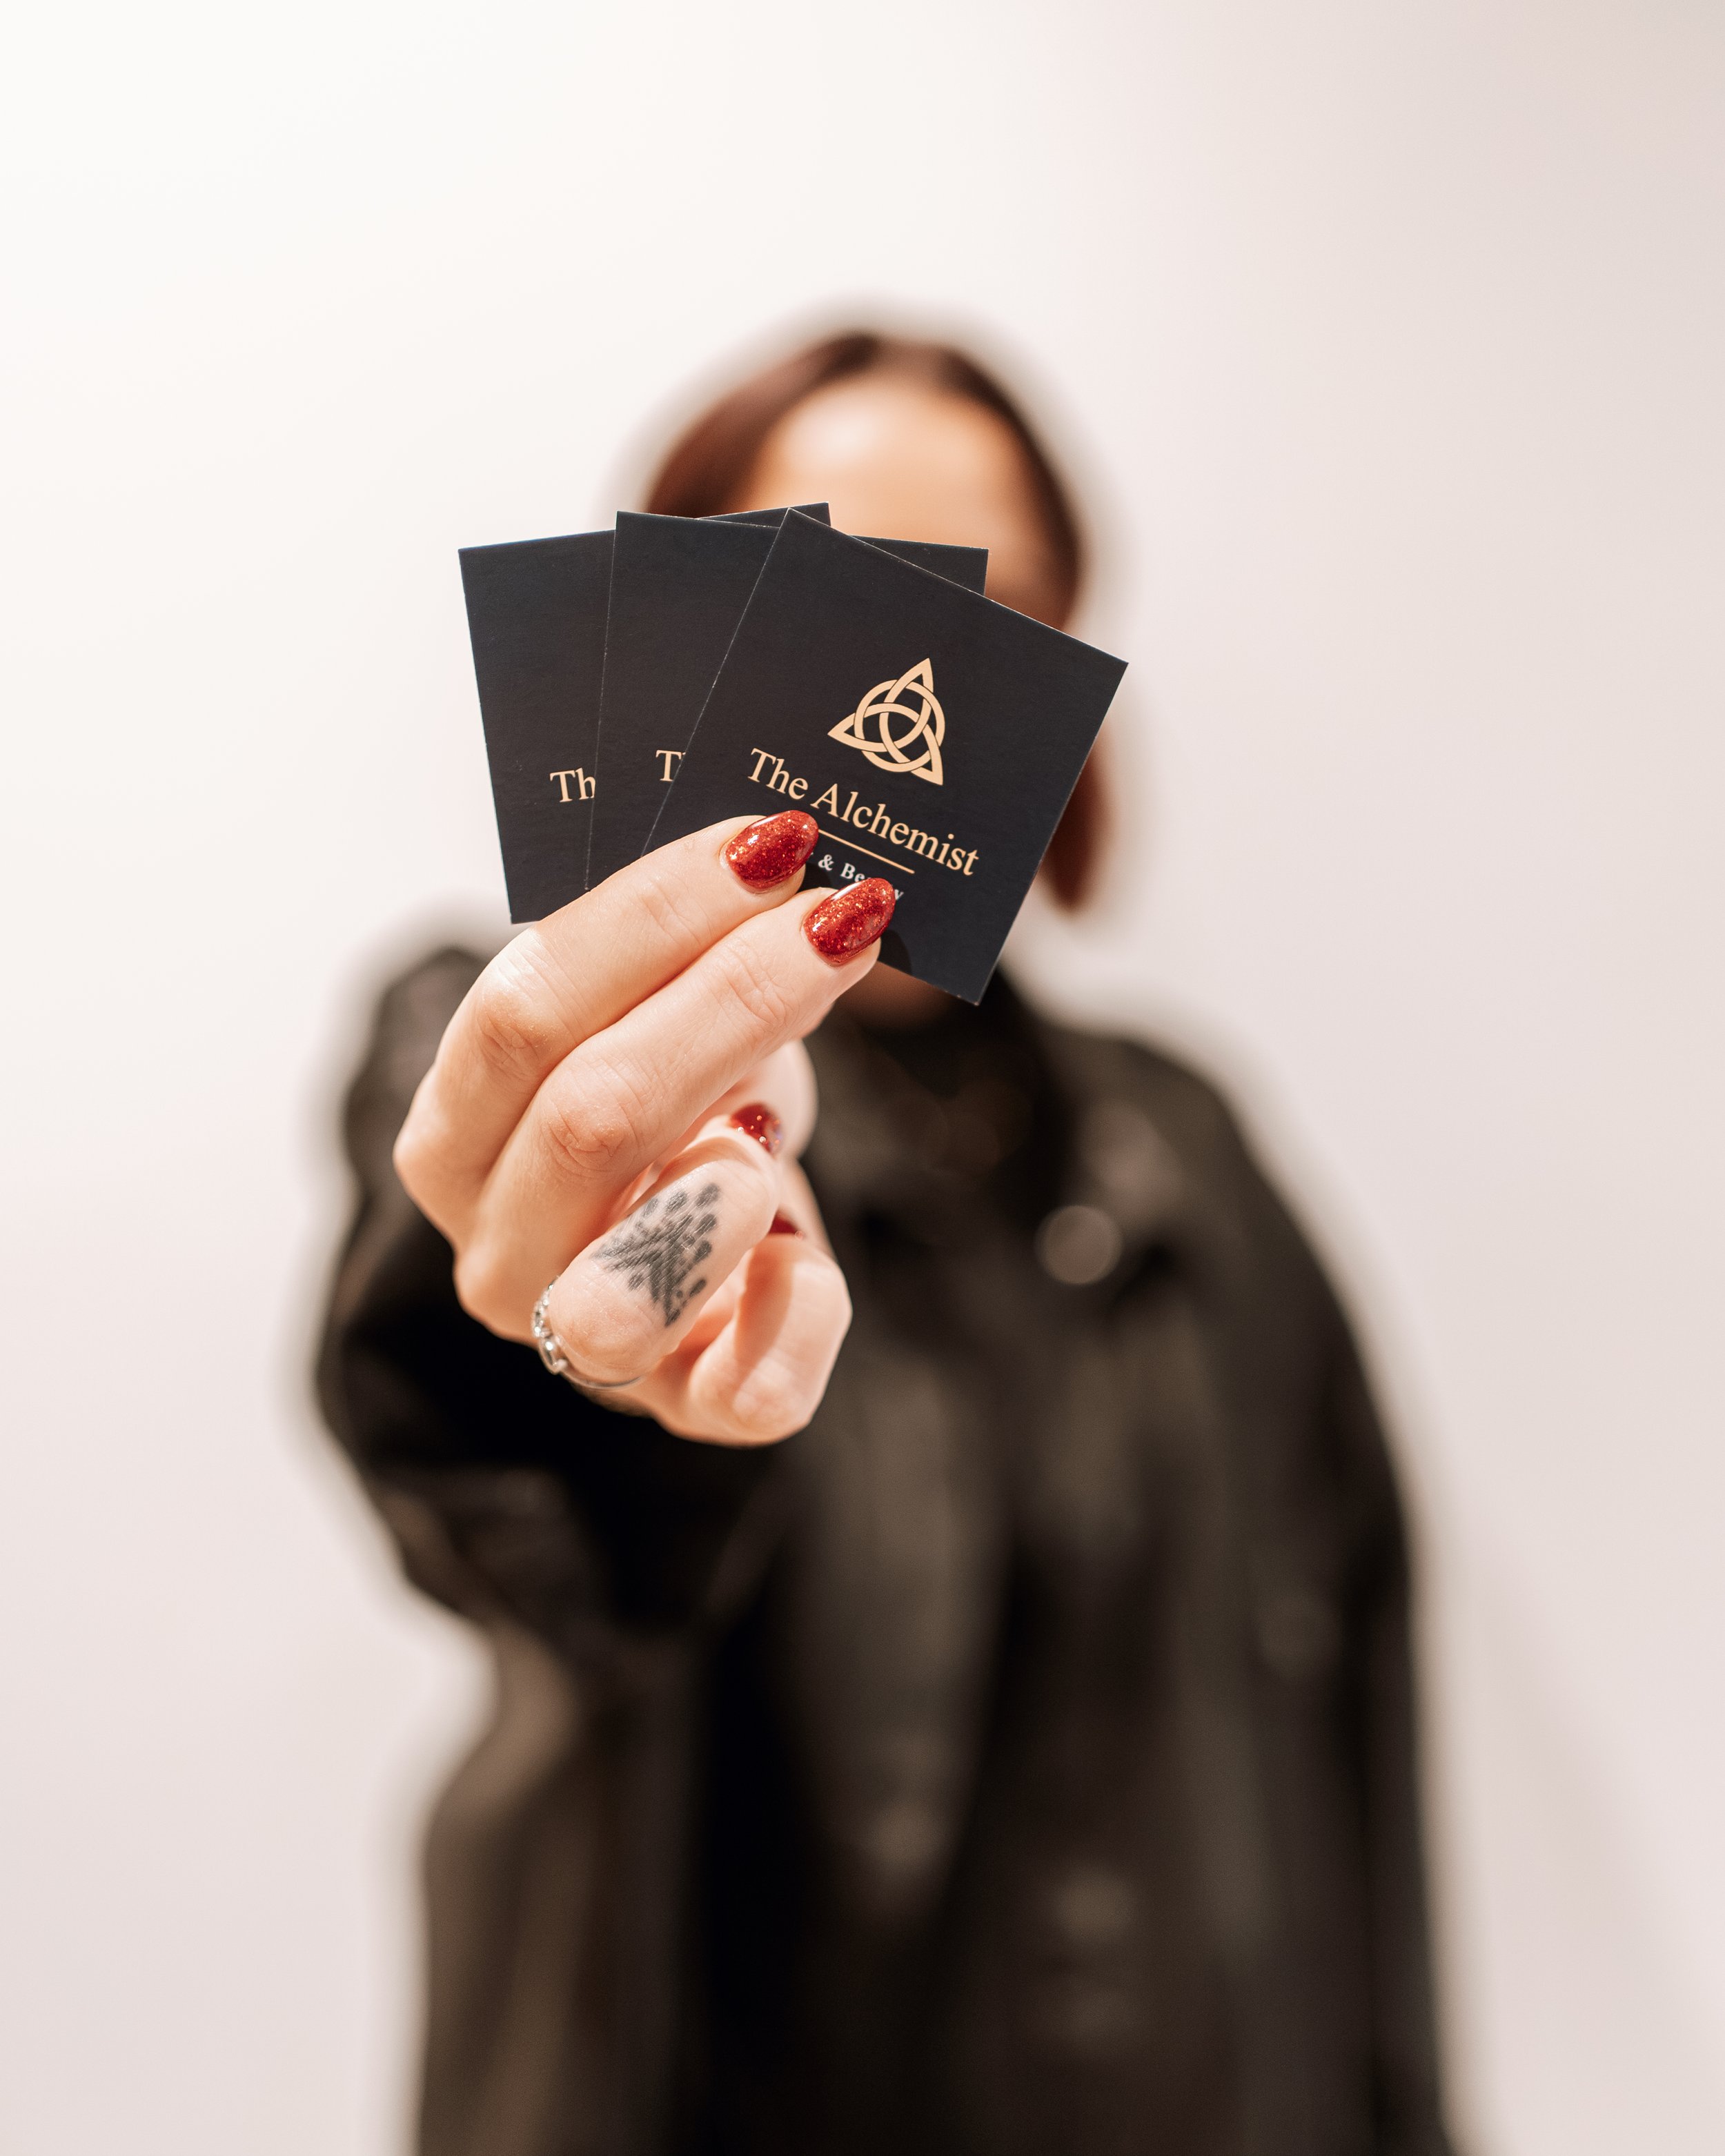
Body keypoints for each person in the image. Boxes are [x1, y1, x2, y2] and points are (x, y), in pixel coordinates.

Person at [317, 331, 1453, 2156]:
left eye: (983, 606)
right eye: (814, 576)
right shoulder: (493, 1042)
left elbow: (1350, 1741)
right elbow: (502, 1465)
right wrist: (589, 1325)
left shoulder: (1183, 1150)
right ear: (666, 619)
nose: (890, 664)